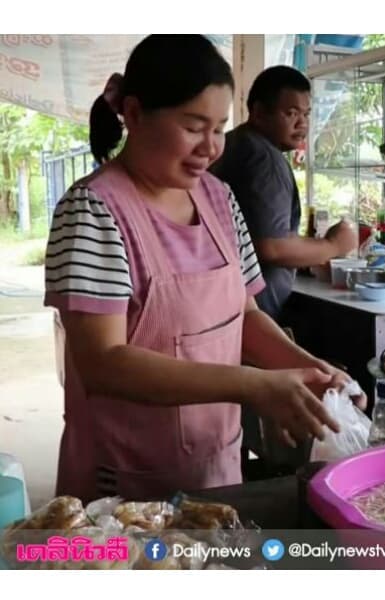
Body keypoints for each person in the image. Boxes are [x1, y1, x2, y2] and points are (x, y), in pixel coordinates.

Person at [43, 35, 362, 502]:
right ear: (133, 114)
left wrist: (313, 373)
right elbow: (103, 363)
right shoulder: (92, 211)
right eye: (194, 127)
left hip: (217, 470)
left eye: (219, 128)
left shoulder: (218, 199)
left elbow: (246, 316)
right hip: (125, 487)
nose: (211, 148)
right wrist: (254, 385)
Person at [210, 65, 358, 321]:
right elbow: (272, 247)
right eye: (291, 113)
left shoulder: (235, 142)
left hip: (223, 303)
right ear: (258, 112)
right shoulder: (264, 158)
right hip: (252, 312)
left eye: (306, 114)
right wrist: (333, 245)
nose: (302, 124)